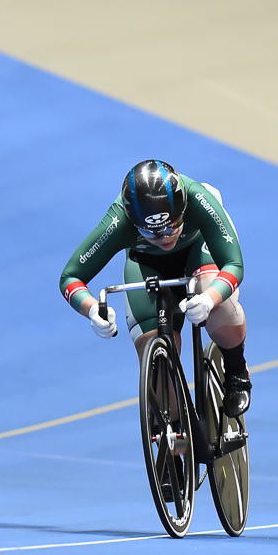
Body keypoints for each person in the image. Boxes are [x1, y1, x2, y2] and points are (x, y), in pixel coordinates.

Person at [59, 159, 251, 416]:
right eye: (152, 234)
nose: (166, 237)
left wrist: (209, 299)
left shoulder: (199, 198)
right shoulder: (118, 221)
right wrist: (93, 309)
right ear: (133, 223)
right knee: (157, 372)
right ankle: (175, 429)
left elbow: (234, 264)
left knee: (218, 306)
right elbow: (71, 277)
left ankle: (237, 370)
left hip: (199, 250)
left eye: (174, 226)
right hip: (146, 264)